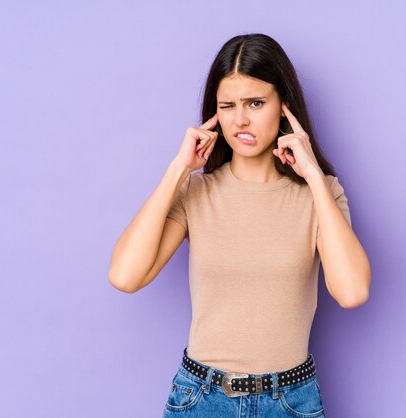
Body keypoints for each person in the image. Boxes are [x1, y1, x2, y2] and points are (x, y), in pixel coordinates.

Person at [108, 33, 371, 417]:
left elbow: (351, 292)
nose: (240, 119)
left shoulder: (321, 194)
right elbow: (125, 276)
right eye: (227, 106)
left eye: (256, 103)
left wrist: (313, 176)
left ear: (283, 105)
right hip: (202, 398)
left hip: (291, 401)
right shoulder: (197, 191)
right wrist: (178, 169)